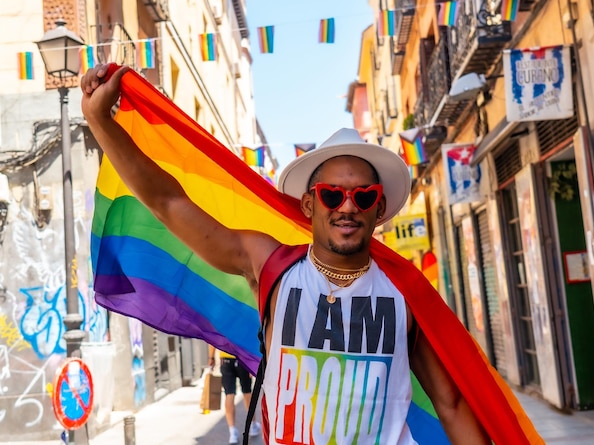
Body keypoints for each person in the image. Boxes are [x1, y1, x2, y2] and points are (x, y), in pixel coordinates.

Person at [81, 63, 491, 444]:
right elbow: (169, 202)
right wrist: (101, 122)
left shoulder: (404, 293)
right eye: (332, 194)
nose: (347, 206)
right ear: (310, 205)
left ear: (379, 209)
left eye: (363, 196)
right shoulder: (272, 266)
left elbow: (450, 404)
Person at [208, 346, 261, 444]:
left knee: (229, 394)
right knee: (247, 392)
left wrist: (211, 357)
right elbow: (252, 336)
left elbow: (214, 334)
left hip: (226, 358)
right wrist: (254, 361)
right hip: (243, 358)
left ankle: (232, 432)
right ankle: (252, 426)